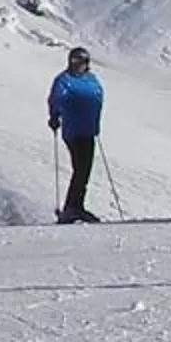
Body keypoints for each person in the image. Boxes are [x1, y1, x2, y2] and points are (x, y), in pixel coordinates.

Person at [47, 47, 104, 224]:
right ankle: (72, 208)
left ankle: (75, 206)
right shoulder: (64, 80)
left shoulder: (91, 79)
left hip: (88, 130)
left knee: (84, 170)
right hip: (74, 130)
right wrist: (54, 116)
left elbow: (98, 96)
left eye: (81, 62)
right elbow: (55, 99)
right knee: (81, 169)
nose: (78, 65)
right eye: (74, 61)